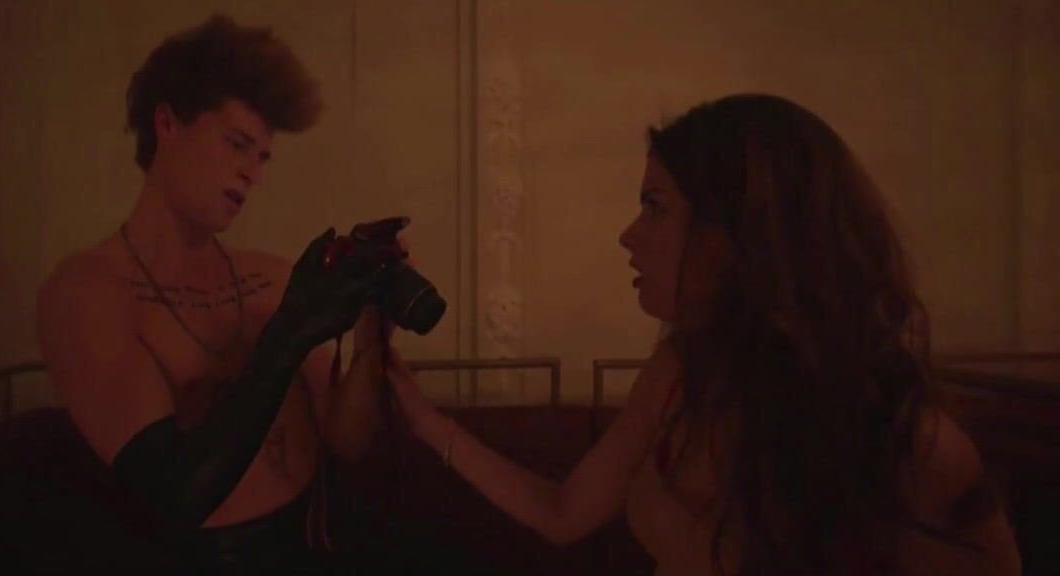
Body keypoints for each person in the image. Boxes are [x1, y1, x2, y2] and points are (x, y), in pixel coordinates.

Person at [386, 93, 1022, 575]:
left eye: (655, 207)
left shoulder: (905, 444)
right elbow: (562, 512)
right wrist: (422, 419)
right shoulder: (680, 374)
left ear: (738, 232)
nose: (628, 235)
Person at [37, 14, 409, 573]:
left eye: (261, 157)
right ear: (168, 124)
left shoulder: (273, 277)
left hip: (313, 545)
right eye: (237, 144)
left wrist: (371, 335)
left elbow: (347, 440)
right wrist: (289, 334)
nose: (252, 173)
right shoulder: (87, 292)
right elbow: (173, 495)